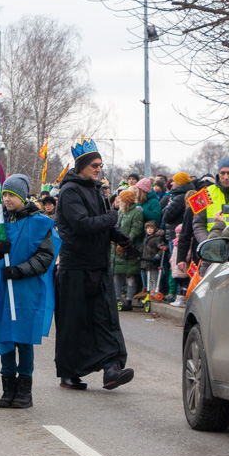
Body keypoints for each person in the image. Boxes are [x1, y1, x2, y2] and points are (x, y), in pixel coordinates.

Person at [53, 138, 134, 391]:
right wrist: (112, 217)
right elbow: (83, 224)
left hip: (99, 267)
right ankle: (69, 373)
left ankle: (112, 368)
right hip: (75, 267)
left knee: (105, 318)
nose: (99, 168)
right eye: (94, 165)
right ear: (81, 166)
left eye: (100, 164)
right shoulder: (69, 191)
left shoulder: (97, 190)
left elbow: (104, 225)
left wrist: (123, 239)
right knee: (73, 323)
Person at [0, 174, 55, 409]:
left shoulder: (40, 223)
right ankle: (8, 388)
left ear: (22, 196)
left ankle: (25, 390)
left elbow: (45, 257)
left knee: (23, 339)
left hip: (26, 289)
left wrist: (19, 271)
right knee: (5, 337)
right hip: (2, 289)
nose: (6, 199)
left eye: (11, 195)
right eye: (4, 195)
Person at [192, 157, 229, 245]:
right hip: (213, 245)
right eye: (222, 173)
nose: (226, 177)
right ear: (218, 173)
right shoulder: (203, 194)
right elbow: (197, 224)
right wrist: (206, 243)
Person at [112, 190, 144, 310]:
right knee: (116, 275)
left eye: (121, 198)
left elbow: (135, 231)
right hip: (117, 249)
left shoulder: (136, 213)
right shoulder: (120, 212)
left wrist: (124, 243)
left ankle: (129, 300)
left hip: (129, 249)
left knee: (129, 275)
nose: (119, 200)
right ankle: (117, 298)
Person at [139, 221, 166, 299]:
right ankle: (150, 292)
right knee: (149, 279)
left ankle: (154, 292)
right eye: (148, 228)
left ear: (155, 229)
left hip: (153, 262)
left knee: (154, 278)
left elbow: (163, 248)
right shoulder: (146, 238)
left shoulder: (157, 239)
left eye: (151, 228)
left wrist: (158, 255)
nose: (149, 230)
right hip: (146, 262)